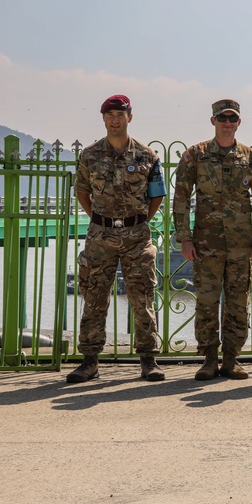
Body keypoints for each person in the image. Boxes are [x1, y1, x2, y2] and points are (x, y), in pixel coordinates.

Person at [67, 94, 167, 383]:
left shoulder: (147, 155)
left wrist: (139, 221)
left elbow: (156, 194)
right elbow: (83, 192)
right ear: (103, 119)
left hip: (137, 235)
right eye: (110, 114)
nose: (115, 119)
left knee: (142, 297)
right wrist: (102, 220)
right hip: (100, 235)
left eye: (120, 114)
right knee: (95, 296)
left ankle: (149, 360)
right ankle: (89, 361)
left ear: (129, 117)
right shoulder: (90, 155)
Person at [173, 99, 252, 381]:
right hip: (206, 243)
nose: (227, 123)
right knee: (207, 301)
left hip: (242, 244)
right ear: (213, 121)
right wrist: (184, 237)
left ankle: (231, 359)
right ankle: (208, 359)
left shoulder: (251, 158)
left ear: (239, 122)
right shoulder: (195, 155)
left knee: (238, 302)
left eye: (232, 118)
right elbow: (181, 197)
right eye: (222, 118)